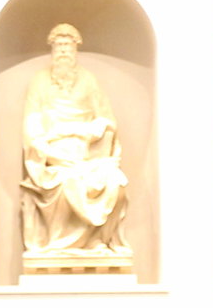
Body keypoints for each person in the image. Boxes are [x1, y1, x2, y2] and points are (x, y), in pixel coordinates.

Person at [20, 22, 131, 268]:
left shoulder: (88, 81)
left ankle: (94, 242)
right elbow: (32, 128)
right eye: (58, 46)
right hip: (54, 157)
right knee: (68, 180)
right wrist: (51, 152)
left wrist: (98, 129)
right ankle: (59, 245)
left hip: (87, 154)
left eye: (67, 46)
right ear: (52, 49)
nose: (62, 52)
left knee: (115, 182)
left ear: (75, 50)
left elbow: (107, 119)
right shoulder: (39, 82)